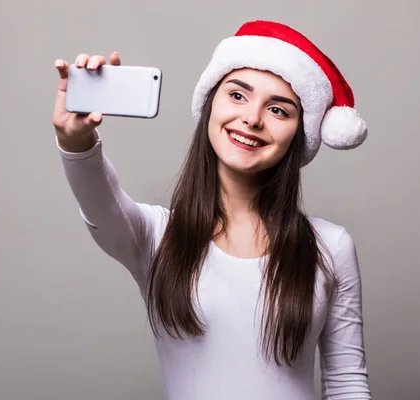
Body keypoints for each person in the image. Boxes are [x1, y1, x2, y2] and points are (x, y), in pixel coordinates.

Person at [52, 20, 371, 400]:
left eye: (279, 110)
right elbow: (99, 202)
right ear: (209, 104)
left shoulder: (331, 246)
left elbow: (347, 382)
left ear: (300, 134)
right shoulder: (157, 235)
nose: (252, 118)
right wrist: (76, 139)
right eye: (238, 95)